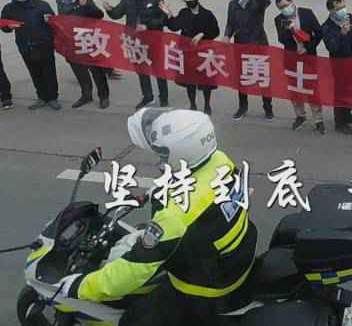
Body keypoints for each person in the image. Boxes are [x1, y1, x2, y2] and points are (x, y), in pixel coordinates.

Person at [60, 108, 257, 325]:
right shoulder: (219, 160)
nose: (160, 158)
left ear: (183, 153)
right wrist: (153, 193)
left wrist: (79, 287)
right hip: (234, 260)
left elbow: (131, 271)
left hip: (205, 290)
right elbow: (201, 188)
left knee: (133, 320)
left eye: (163, 153)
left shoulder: (175, 216)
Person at [104, 0, 169, 109]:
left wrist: (148, 26)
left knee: (159, 70)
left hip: (153, 41)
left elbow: (163, 19)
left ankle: (164, 98)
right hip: (135, 42)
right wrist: (109, 9)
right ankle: (147, 96)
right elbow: (117, 14)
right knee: (142, 70)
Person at [1, 0, 60, 111]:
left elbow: (55, 23)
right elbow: (4, 27)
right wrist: (8, 27)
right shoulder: (9, 9)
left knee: (49, 72)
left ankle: (53, 98)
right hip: (25, 45)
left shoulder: (42, 5)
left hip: (44, 44)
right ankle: (41, 97)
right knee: (35, 73)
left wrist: (50, 21)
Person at [223, 0, 274, 120]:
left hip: (258, 44)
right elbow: (230, 23)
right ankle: (243, 107)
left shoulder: (258, 1)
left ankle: (268, 107)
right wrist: (227, 35)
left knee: (263, 78)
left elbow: (267, 2)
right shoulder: (233, 3)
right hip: (241, 44)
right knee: (242, 77)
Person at [273, 0, 325, 134]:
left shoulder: (306, 13)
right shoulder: (279, 19)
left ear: (292, 2)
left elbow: (319, 33)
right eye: (281, 8)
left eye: (285, 5)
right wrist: (290, 31)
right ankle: (300, 115)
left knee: (312, 89)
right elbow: (281, 39)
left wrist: (308, 48)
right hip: (291, 58)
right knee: (294, 89)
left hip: (308, 57)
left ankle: (318, 119)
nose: (284, 9)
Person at [56, 0, 110, 110]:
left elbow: (99, 15)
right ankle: (86, 95)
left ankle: (104, 96)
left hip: (88, 41)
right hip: (71, 42)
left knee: (97, 71)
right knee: (80, 71)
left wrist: (87, 5)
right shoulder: (60, 1)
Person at [163, 0, 220, 114]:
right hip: (188, 52)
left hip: (204, 52)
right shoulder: (184, 13)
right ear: (184, 0)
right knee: (190, 81)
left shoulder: (207, 14)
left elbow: (215, 31)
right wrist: (169, 15)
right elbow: (174, 26)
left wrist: (202, 34)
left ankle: (207, 105)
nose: (191, 0)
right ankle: (193, 104)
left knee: (206, 80)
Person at [321, 0, 352, 135]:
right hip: (340, 67)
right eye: (339, 8)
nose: (343, 10)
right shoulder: (327, 27)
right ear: (331, 11)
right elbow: (332, 47)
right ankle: (340, 122)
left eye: (344, 6)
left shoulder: (350, 18)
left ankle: (347, 114)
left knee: (351, 91)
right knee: (340, 93)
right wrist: (342, 34)